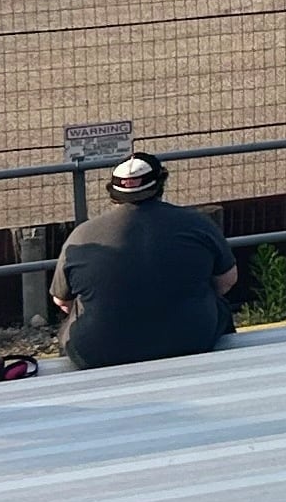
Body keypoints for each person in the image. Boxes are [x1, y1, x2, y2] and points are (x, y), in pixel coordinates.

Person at [47, 154, 239, 371]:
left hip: (97, 351)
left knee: (71, 324)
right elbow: (227, 280)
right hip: (191, 340)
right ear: (161, 185)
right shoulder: (197, 224)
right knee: (218, 307)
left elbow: (62, 300)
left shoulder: (81, 235)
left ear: (113, 193)